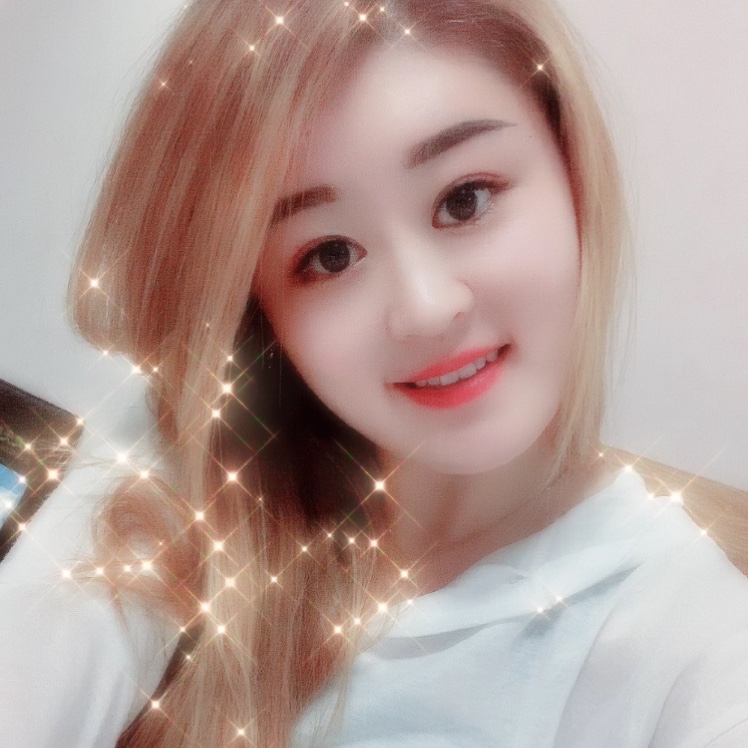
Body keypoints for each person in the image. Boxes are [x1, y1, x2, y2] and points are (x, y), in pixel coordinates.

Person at [2, 0, 748, 745]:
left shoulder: (685, 643)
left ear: (573, 173)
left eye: (465, 200)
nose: (426, 308)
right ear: (259, 310)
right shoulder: (183, 467)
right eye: (329, 256)